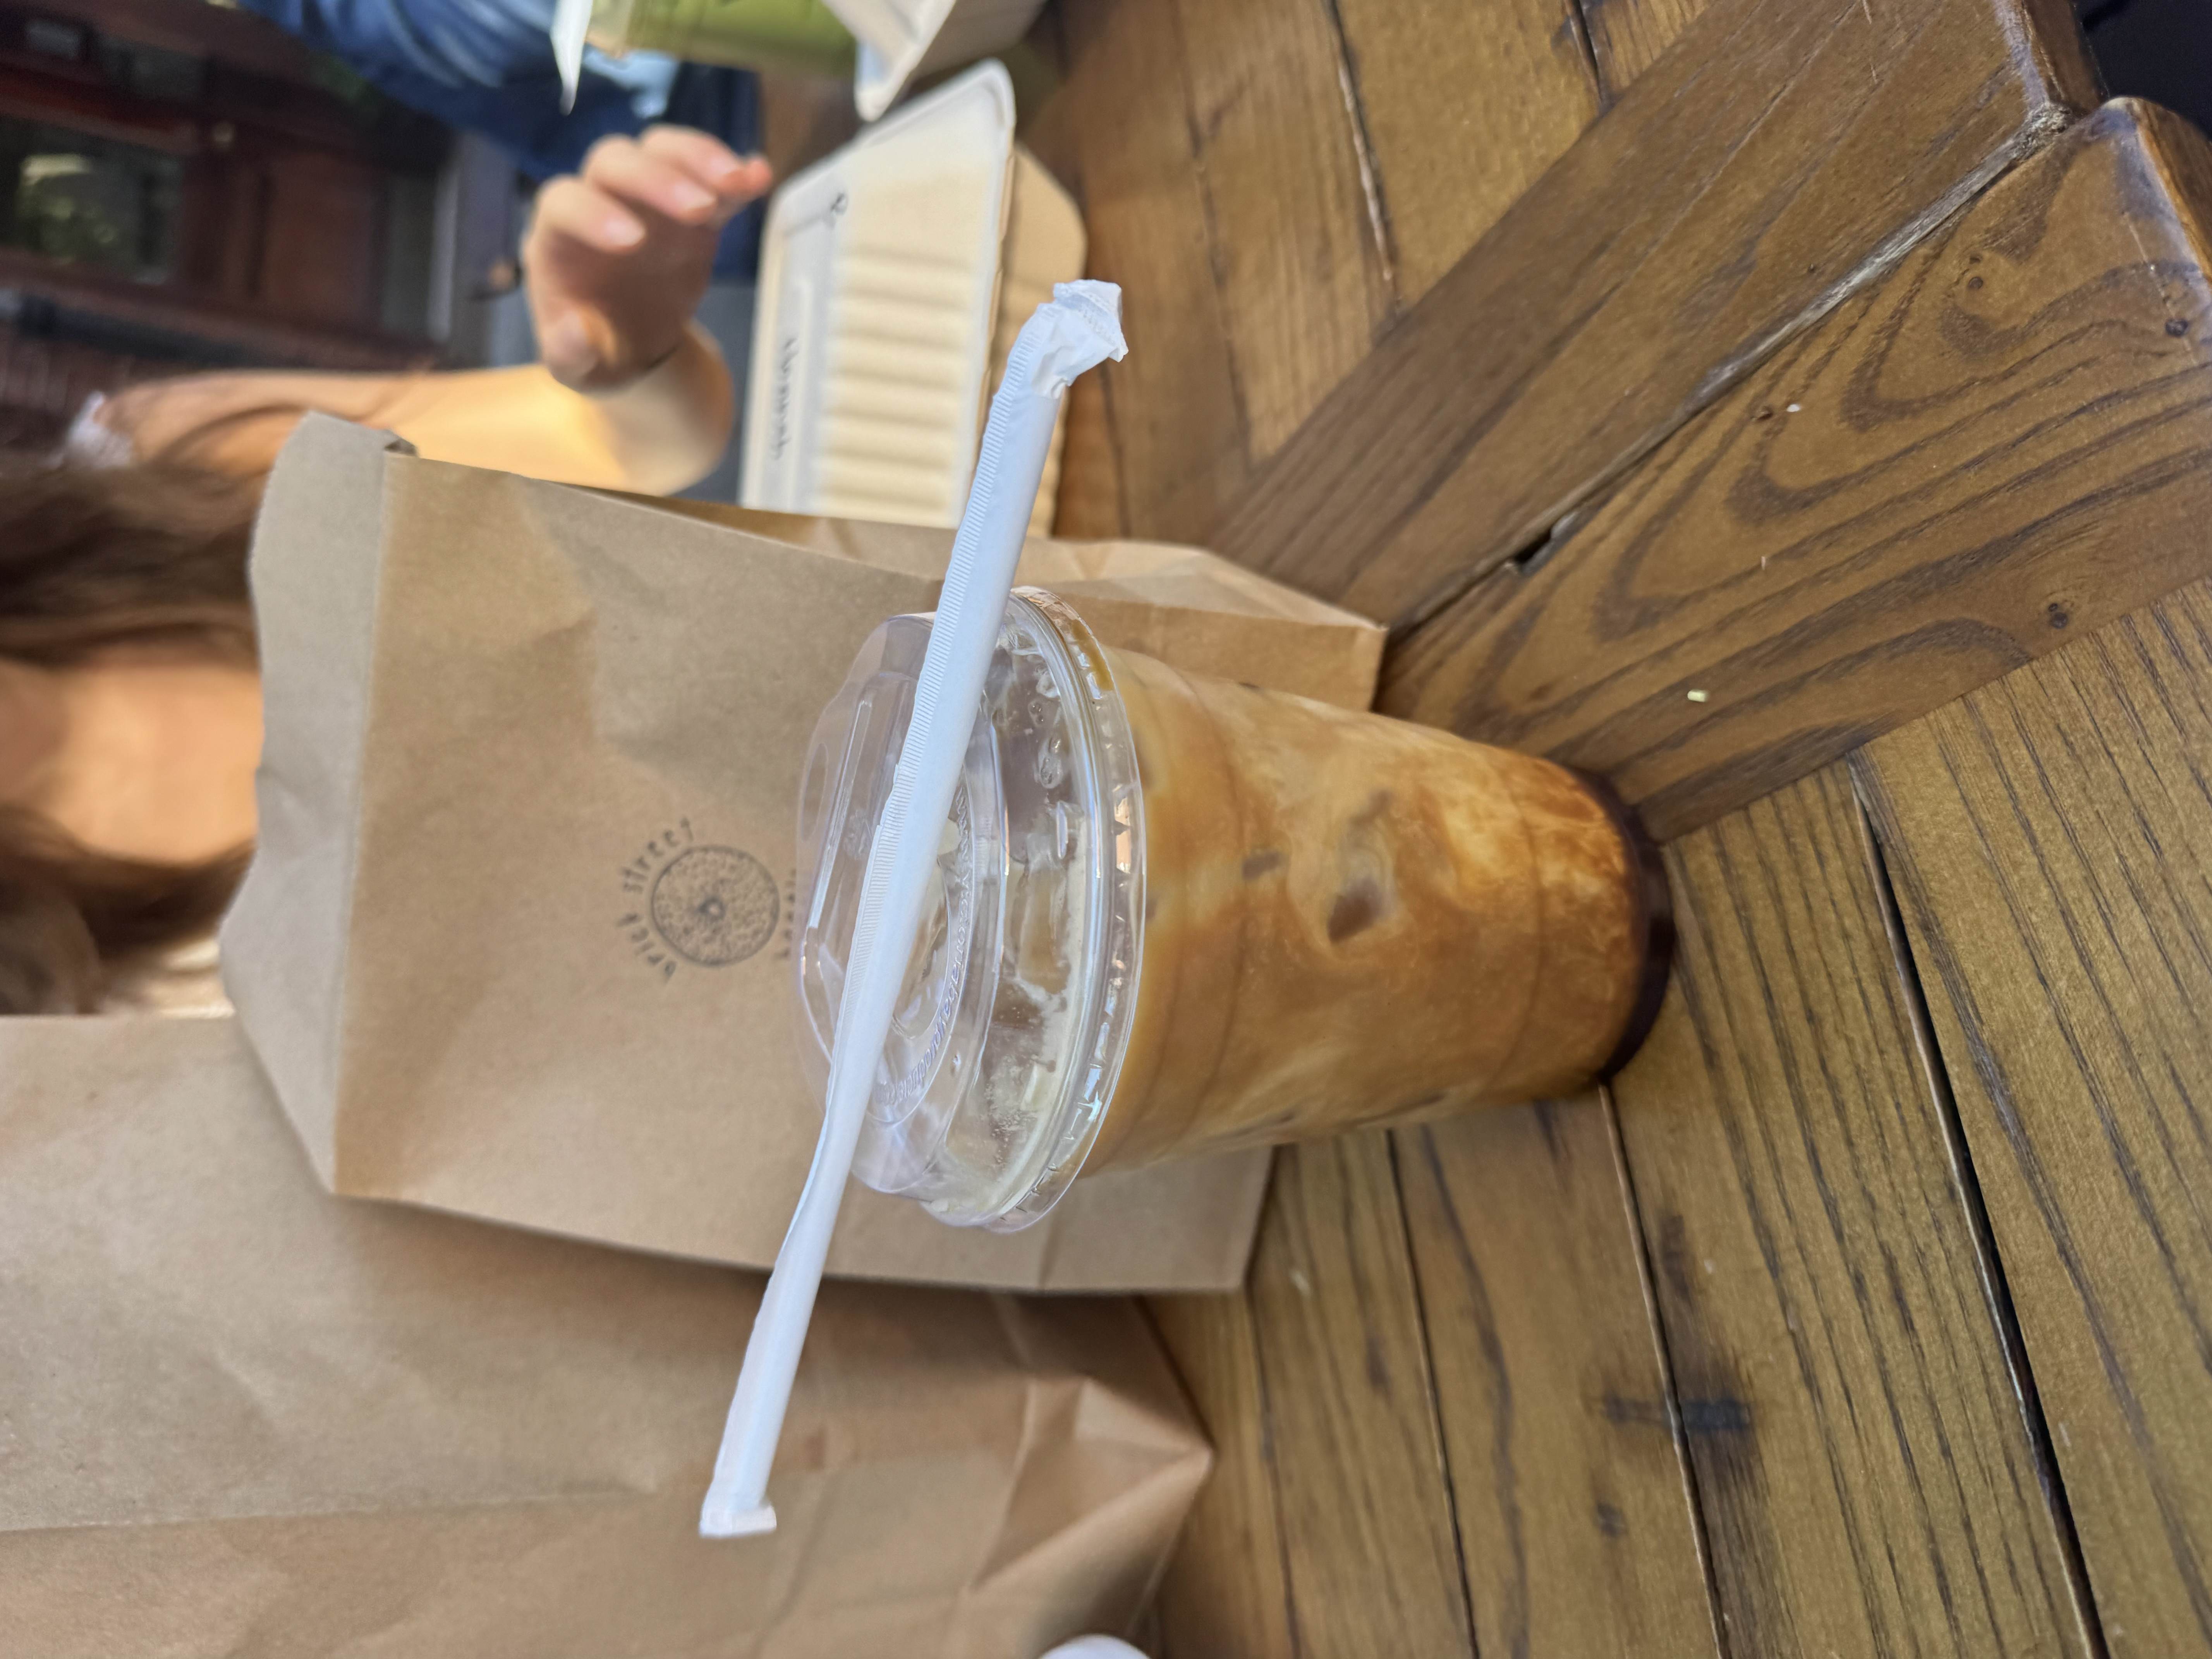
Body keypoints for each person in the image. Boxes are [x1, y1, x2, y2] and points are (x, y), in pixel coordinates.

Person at [0, 127, 771, 1016]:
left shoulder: (158, 466)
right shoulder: (68, 1055)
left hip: (866, 729)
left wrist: (624, 347)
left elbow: (616, 444)